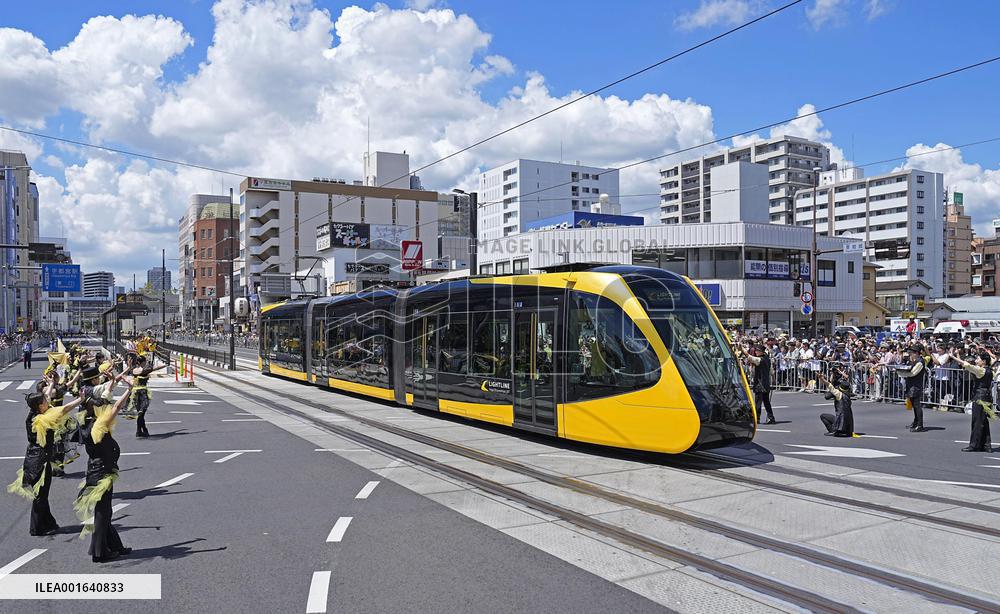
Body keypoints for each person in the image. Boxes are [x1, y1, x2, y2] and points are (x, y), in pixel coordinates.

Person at [74, 362, 133, 563]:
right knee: (103, 512)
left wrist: (113, 381)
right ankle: (100, 552)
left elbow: (107, 399)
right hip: (102, 471)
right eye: (100, 406)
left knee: (104, 510)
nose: (103, 407)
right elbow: (116, 406)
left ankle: (114, 545)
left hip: (95, 469)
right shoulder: (99, 424)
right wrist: (129, 390)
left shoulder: (85, 422)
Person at [6, 386, 85, 536]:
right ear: (40, 405)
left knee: (42, 494)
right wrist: (80, 399)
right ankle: (36, 528)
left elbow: (45, 398)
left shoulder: (33, 414)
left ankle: (48, 523)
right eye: (44, 401)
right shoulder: (42, 418)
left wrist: (49, 386)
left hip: (34, 459)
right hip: (38, 462)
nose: (48, 402)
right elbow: (63, 410)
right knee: (41, 495)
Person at [950, 350, 994, 452]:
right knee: (983, 421)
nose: (976, 360)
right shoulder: (989, 370)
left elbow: (967, 365)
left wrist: (953, 356)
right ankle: (986, 445)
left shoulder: (981, 370)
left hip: (980, 397)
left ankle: (974, 445)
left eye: (978, 359)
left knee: (977, 421)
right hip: (986, 396)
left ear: (983, 361)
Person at [129, 354, 166, 438]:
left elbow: (130, 368)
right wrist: (164, 365)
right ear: (142, 362)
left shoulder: (133, 370)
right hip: (143, 393)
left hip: (135, 393)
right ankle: (142, 430)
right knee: (141, 413)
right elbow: (155, 368)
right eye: (145, 361)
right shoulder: (144, 370)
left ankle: (141, 431)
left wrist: (129, 364)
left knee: (140, 413)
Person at [896, 345, 928, 432]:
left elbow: (913, 373)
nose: (910, 354)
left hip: (916, 386)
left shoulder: (920, 362)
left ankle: (920, 425)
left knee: (917, 406)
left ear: (917, 353)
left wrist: (900, 372)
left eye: (911, 353)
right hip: (911, 385)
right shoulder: (913, 360)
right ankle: (916, 422)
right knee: (914, 405)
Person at [817, 370, 854, 437]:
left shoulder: (839, 394)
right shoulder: (848, 396)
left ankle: (833, 431)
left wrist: (821, 379)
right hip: (848, 426)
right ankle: (842, 430)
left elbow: (830, 386)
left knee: (823, 416)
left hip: (840, 422)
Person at [744, 345, 775, 424]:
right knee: (766, 402)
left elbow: (750, 357)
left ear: (761, 351)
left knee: (758, 402)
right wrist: (773, 380)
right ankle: (771, 418)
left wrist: (741, 349)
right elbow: (771, 371)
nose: (756, 352)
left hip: (759, 384)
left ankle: (757, 418)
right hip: (766, 384)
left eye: (757, 350)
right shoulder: (767, 359)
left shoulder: (760, 359)